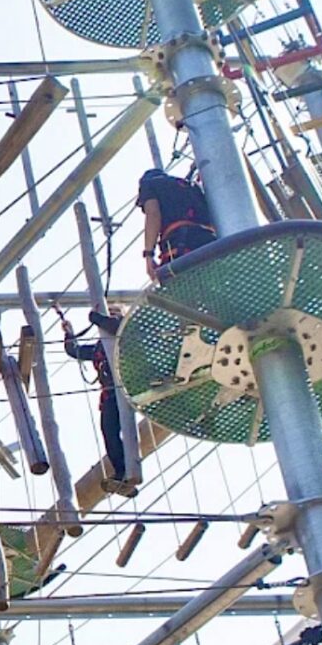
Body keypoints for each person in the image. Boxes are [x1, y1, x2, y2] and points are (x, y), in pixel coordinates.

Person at [67, 310, 140, 497]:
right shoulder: (101, 346)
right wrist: (69, 334)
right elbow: (75, 351)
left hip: (129, 387)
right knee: (109, 430)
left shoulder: (127, 332)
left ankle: (130, 469)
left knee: (126, 427)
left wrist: (97, 318)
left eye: (115, 314)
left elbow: (116, 326)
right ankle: (121, 472)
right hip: (110, 394)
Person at [134, 167, 216, 277]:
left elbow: (153, 214)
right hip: (211, 243)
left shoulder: (149, 184)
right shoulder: (193, 187)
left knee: (180, 286)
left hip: (182, 245)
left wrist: (148, 254)